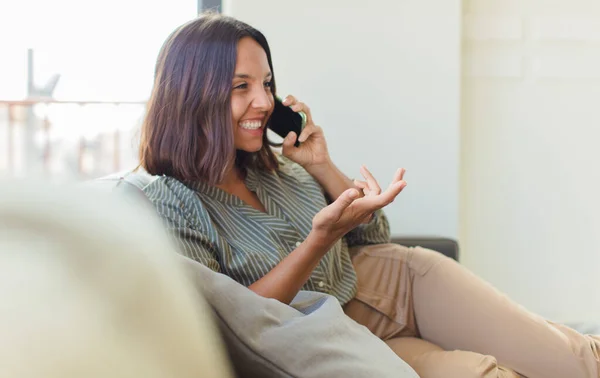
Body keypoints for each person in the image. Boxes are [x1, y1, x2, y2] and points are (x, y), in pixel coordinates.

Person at [138, 12, 600, 378]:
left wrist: (321, 165)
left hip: (397, 283)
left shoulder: (273, 167)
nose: (264, 102)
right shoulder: (171, 203)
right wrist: (317, 241)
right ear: (191, 94)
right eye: (242, 87)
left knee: (571, 360)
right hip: (341, 341)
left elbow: (373, 233)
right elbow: (231, 321)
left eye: (268, 84)